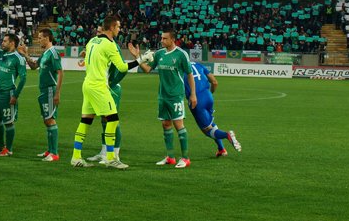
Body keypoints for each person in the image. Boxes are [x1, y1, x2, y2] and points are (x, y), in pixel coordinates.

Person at [71, 15, 143, 170]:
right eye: (118, 27)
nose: (119, 29)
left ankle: (76, 157)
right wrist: (140, 60)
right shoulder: (109, 44)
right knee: (113, 120)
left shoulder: (92, 41)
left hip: (87, 85)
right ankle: (111, 158)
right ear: (111, 27)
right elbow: (122, 68)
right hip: (99, 87)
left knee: (85, 121)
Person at [131, 28, 197, 169]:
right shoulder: (160, 53)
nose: (162, 41)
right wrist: (137, 58)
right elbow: (147, 69)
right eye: (161, 38)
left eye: (164, 38)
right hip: (163, 96)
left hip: (176, 95)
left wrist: (193, 94)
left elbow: (189, 74)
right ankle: (170, 157)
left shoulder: (181, 54)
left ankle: (185, 158)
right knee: (166, 125)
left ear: (173, 39)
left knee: (178, 125)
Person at [20, 28, 64, 162]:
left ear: (47, 38)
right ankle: (50, 150)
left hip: (50, 90)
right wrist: (25, 54)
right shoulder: (45, 53)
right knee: (46, 120)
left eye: (40, 38)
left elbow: (60, 72)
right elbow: (34, 66)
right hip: (44, 91)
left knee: (50, 119)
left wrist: (57, 93)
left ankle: (54, 153)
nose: (38, 40)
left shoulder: (53, 53)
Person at [185, 62, 241, 157]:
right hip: (208, 96)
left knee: (207, 130)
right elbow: (214, 82)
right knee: (210, 124)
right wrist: (210, 94)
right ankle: (221, 149)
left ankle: (227, 135)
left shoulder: (180, 69)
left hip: (196, 100)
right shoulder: (198, 65)